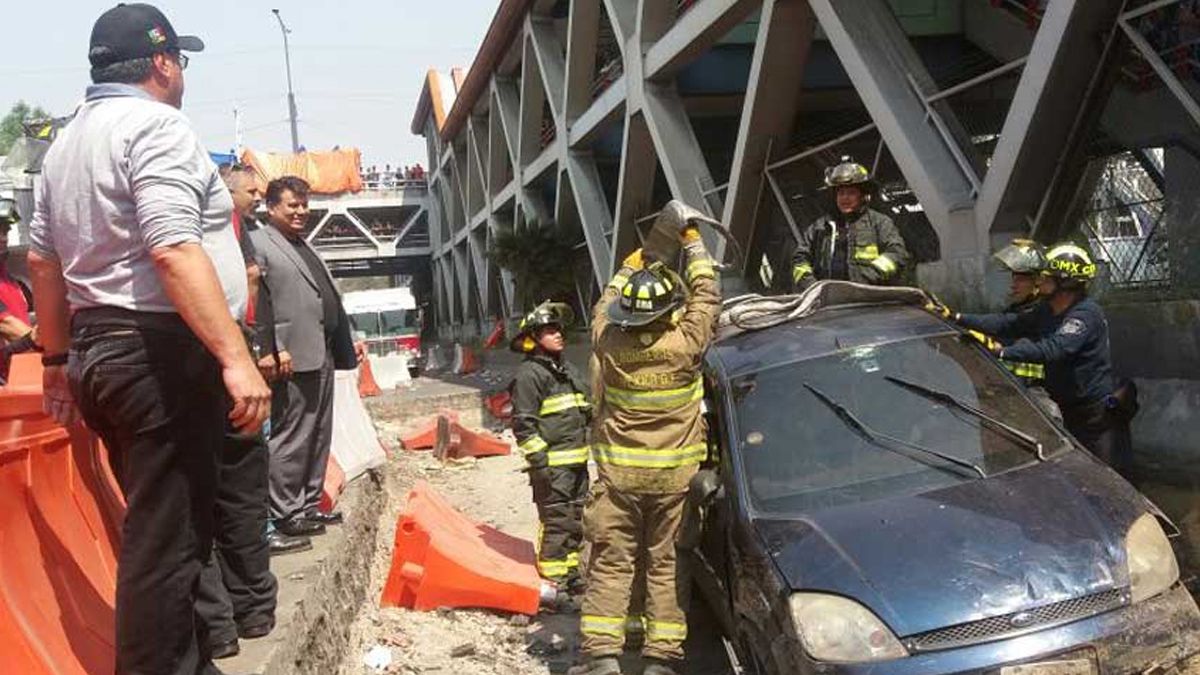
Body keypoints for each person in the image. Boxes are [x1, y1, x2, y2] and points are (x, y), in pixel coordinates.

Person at [26, 4, 271, 673]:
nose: (181, 73)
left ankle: (192, 660)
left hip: (101, 351)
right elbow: (172, 248)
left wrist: (56, 360)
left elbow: (43, 263)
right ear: (162, 63)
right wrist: (235, 358)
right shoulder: (157, 127)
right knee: (167, 539)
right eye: (179, 60)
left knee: (173, 526)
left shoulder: (65, 145)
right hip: (158, 353)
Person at [575, 201, 721, 675]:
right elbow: (707, 295)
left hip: (619, 482)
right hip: (675, 483)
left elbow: (602, 306)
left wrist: (630, 265)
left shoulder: (608, 342)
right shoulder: (685, 344)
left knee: (611, 563)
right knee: (666, 565)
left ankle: (602, 657)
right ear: (668, 310)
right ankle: (661, 659)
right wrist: (692, 242)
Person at [193, 165, 300, 661]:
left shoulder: (228, 227)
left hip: (201, 351)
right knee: (232, 492)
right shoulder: (221, 227)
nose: (257, 197)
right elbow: (249, 283)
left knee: (213, 495)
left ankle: (229, 620)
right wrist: (245, 352)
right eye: (252, 191)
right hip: (221, 351)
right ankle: (242, 613)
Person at [946, 244, 1134, 472]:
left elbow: (1055, 349)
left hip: (1096, 417)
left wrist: (1002, 351)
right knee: (1077, 474)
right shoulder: (1047, 310)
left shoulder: (1085, 314)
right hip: (1069, 410)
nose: (1039, 281)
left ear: (1065, 282)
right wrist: (956, 317)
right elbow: (1009, 323)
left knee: (1110, 477)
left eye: (1046, 277)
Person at [249, 176, 358, 539]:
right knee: (293, 434)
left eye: (304, 205)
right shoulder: (259, 243)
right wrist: (271, 346)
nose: (300, 212)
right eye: (292, 205)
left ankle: (309, 504)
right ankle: (287, 511)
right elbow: (258, 301)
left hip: (321, 350)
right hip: (290, 355)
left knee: (318, 433)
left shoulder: (301, 244)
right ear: (271, 207)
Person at [509, 301, 591, 597]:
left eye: (558, 329)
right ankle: (553, 586)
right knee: (557, 524)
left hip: (576, 464)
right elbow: (523, 425)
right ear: (533, 337)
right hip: (553, 468)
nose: (558, 334)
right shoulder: (529, 375)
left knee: (576, 522)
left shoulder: (566, 371)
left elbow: (585, 411)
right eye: (549, 330)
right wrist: (540, 463)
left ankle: (571, 575)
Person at [791, 156, 909, 291]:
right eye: (841, 193)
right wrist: (812, 286)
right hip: (828, 298)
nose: (845, 198)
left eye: (851, 193)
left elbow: (897, 253)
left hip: (870, 297)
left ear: (863, 196)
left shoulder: (880, 222)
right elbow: (800, 259)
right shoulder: (820, 227)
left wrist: (866, 279)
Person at [0, 199, 39, 384]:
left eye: (5, 230)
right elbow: (10, 327)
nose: (3, 238)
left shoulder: (15, 284)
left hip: (17, 378)